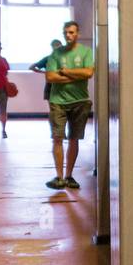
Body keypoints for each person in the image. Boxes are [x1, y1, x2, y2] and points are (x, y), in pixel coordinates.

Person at [44, 20, 95, 190]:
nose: (68, 35)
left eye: (72, 32)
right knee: (57, 138)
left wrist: (65, 72)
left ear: (77, 34)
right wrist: (76, 76)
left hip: (80, 101)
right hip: (58, 101)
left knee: (74, 139)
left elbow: (88, 72)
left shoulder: (86, 52)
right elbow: (50, 77)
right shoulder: (55, 55)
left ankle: (69, 176)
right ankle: (59, 177)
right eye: (66, 32)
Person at [30, 39, 63, 106]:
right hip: (52, 85)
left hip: (61, 85)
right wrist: (44, 72)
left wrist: (44, 72)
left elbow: (32, 67)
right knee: (54, 108)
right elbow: (32, 67)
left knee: (57, 108)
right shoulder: (48, 58)